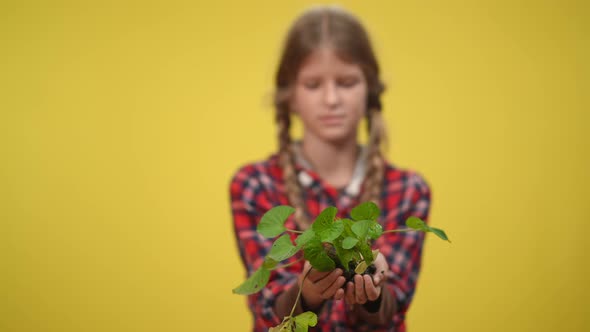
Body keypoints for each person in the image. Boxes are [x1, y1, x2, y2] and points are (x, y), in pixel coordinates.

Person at [230, 5, 431, 332]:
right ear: (290, 96)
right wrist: (306, 292)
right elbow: (270, 308)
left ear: (370, 90)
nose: (331, 99)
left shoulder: (408, 189)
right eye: (312, 85)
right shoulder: (255, 184)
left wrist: (373, 287)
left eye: (347, 82)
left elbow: (394, 306)